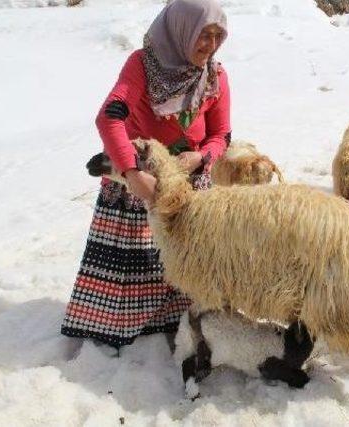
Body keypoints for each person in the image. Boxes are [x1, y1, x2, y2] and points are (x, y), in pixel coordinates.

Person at [61, 0, 230, 349]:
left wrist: (200, 157)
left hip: (188, 187)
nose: (210, 46)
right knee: (132, 267)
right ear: (181, 30)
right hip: (137, 181)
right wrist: (134, 175)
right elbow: (110, 117)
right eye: (203, 35)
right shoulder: (143, 65)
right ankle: (120, 330)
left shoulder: (215, 77)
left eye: (217, 37)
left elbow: (222, 134)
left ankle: (178, 324)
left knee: (184, 263)